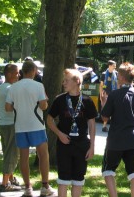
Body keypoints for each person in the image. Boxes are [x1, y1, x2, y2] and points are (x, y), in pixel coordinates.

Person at [5, 60, 55, 196]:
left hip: (20, 126)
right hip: (36, 125)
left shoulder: (13, 87)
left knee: (24, 157)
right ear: (33, 71)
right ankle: (45, 186)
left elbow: (8, 108)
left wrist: (19, 105)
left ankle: (28, 188)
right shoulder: (38, 85)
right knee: (43, 155)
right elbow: (44, 106)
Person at [47, 69, 98, 197]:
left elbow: (92, 125)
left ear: (77, 81)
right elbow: (49, 120)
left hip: (81, 145)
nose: (63, 83)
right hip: (64, 145)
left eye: (66, 80)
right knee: (63, 179)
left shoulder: (87, 101)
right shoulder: (60, 99)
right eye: (63, 80)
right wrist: (59, 134)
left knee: (78, 179)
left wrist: (92, 146)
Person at [101, 62, 134, 197]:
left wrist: (103, 103)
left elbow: (105, 117)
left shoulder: (114, 95)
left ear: (120, 76)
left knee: (108, 170)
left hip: (116, 139)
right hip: (133, 138)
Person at [0, 64, 21, 192]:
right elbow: (13, 106)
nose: (18, 75)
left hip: (2, 123)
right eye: (16, 73)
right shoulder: (11, 89)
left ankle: (11, 179)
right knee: (12, 154)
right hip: (11, 124)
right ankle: (5, 184)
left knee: (7, 152)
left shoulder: (1, 87)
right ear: (9, 74)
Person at [100, 60, 118, 132]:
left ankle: (113, 126)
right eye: (114, 66)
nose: (115, 67)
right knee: (106, 111)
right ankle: (104, 126)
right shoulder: (104, 74)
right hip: (105, 94)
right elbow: (101, 85)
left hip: (114, 94)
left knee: (114, 111)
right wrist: (101, 95)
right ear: (110, 66)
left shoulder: (116, 73)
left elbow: (118, 84)